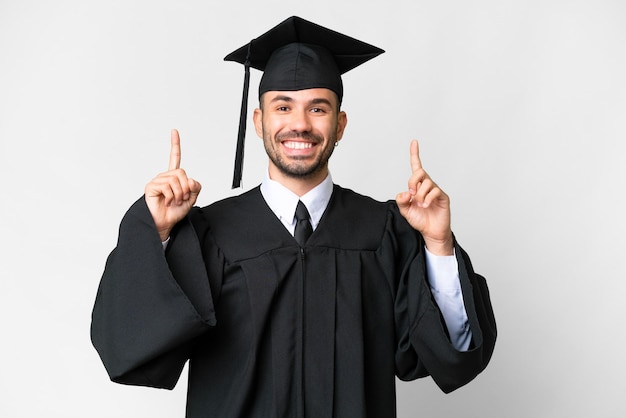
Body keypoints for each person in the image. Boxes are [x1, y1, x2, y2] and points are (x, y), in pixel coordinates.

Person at [91, 16, 496, 418]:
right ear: (259, 121)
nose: (299, 124)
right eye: (283, 106)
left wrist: (439, 246)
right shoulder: (209, 234)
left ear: (339, 126)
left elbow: (449, 357)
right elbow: (129, 350)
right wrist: (157, 233)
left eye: (317, 108)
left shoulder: (384, 231)